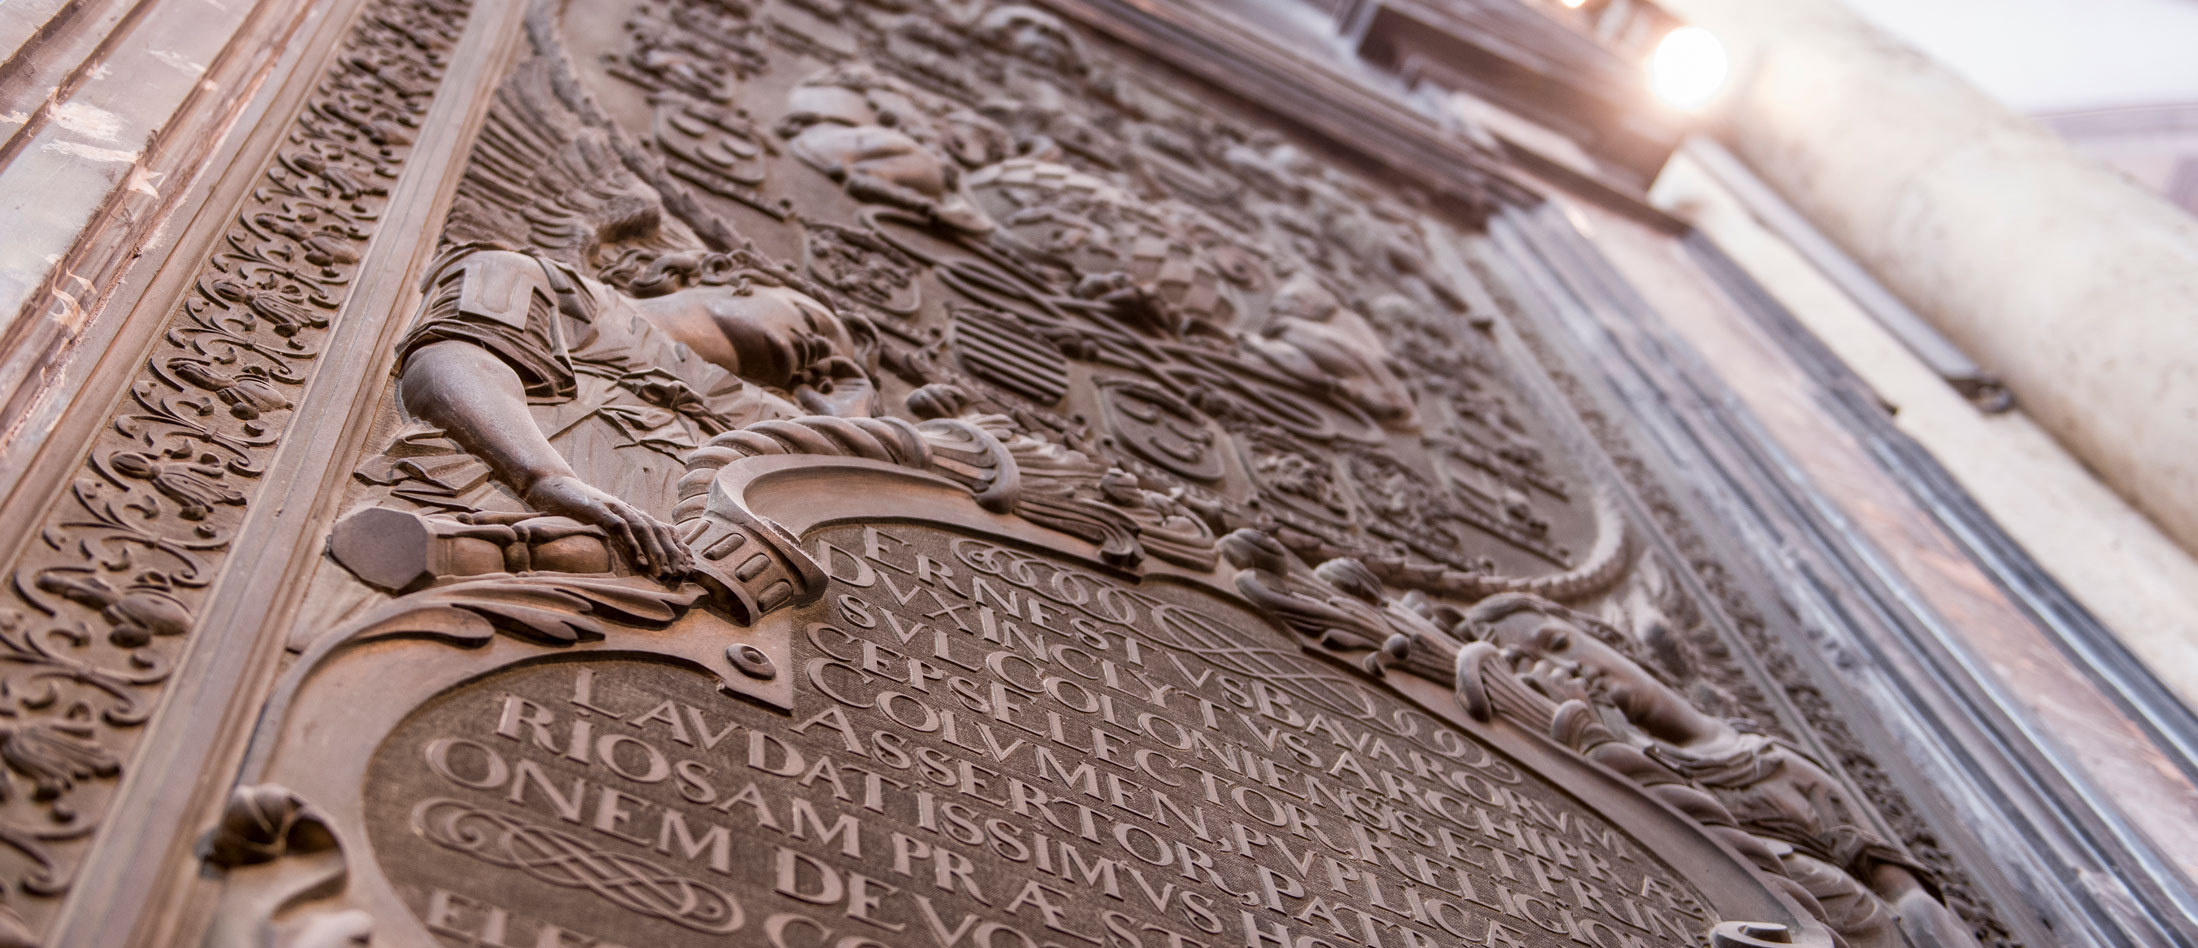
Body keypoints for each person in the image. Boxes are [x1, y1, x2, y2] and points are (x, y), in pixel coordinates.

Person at [1461, 593, 1981, 948]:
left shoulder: (1757, 749)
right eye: (1531, 662)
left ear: (1600, 636)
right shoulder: (1610, 751)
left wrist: (1916, 908)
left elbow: (1870, 856)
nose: (1574, 667)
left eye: (1558, 644)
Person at [391, 244, 875, 581]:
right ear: (728, 275)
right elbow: (450, 362)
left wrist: (851, 411)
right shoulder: (545, 282)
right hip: (480, 518)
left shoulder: (752, 412)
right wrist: (548, 481)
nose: (821, 349)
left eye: (824, 360)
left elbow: (844, 506)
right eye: (813, 320)